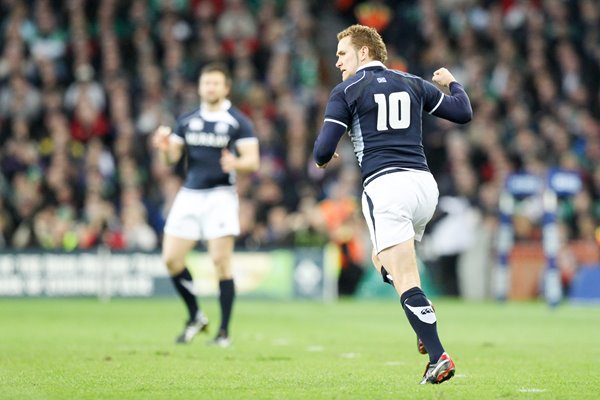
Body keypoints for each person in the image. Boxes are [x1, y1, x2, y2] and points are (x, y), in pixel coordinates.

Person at [313, 25, 472, 384]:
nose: (338, 61)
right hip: (424, 187)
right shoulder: (412, 82)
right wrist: (452, 82)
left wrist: (324, 159)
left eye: (342, 54)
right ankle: (422, 316)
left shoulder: (347, 90)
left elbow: (322, 151)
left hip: (386, 187)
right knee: (382, 261)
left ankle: (437, 355)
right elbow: (463, 113)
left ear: (364, 52)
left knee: (404, 279)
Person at [153, 62, 260, 347]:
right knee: (171, 259)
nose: (210, 88)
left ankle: (223, 332)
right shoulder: (186, 120)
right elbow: (171, 159)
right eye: (206, 83)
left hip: (221, 196)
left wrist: (236, 163)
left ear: (225, 88)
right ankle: (196, 316)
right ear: (200, 87)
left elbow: (253, 160)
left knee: (220, 262)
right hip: (189, 194)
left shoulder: (238, 121)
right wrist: (164, 150)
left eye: (215, 83)